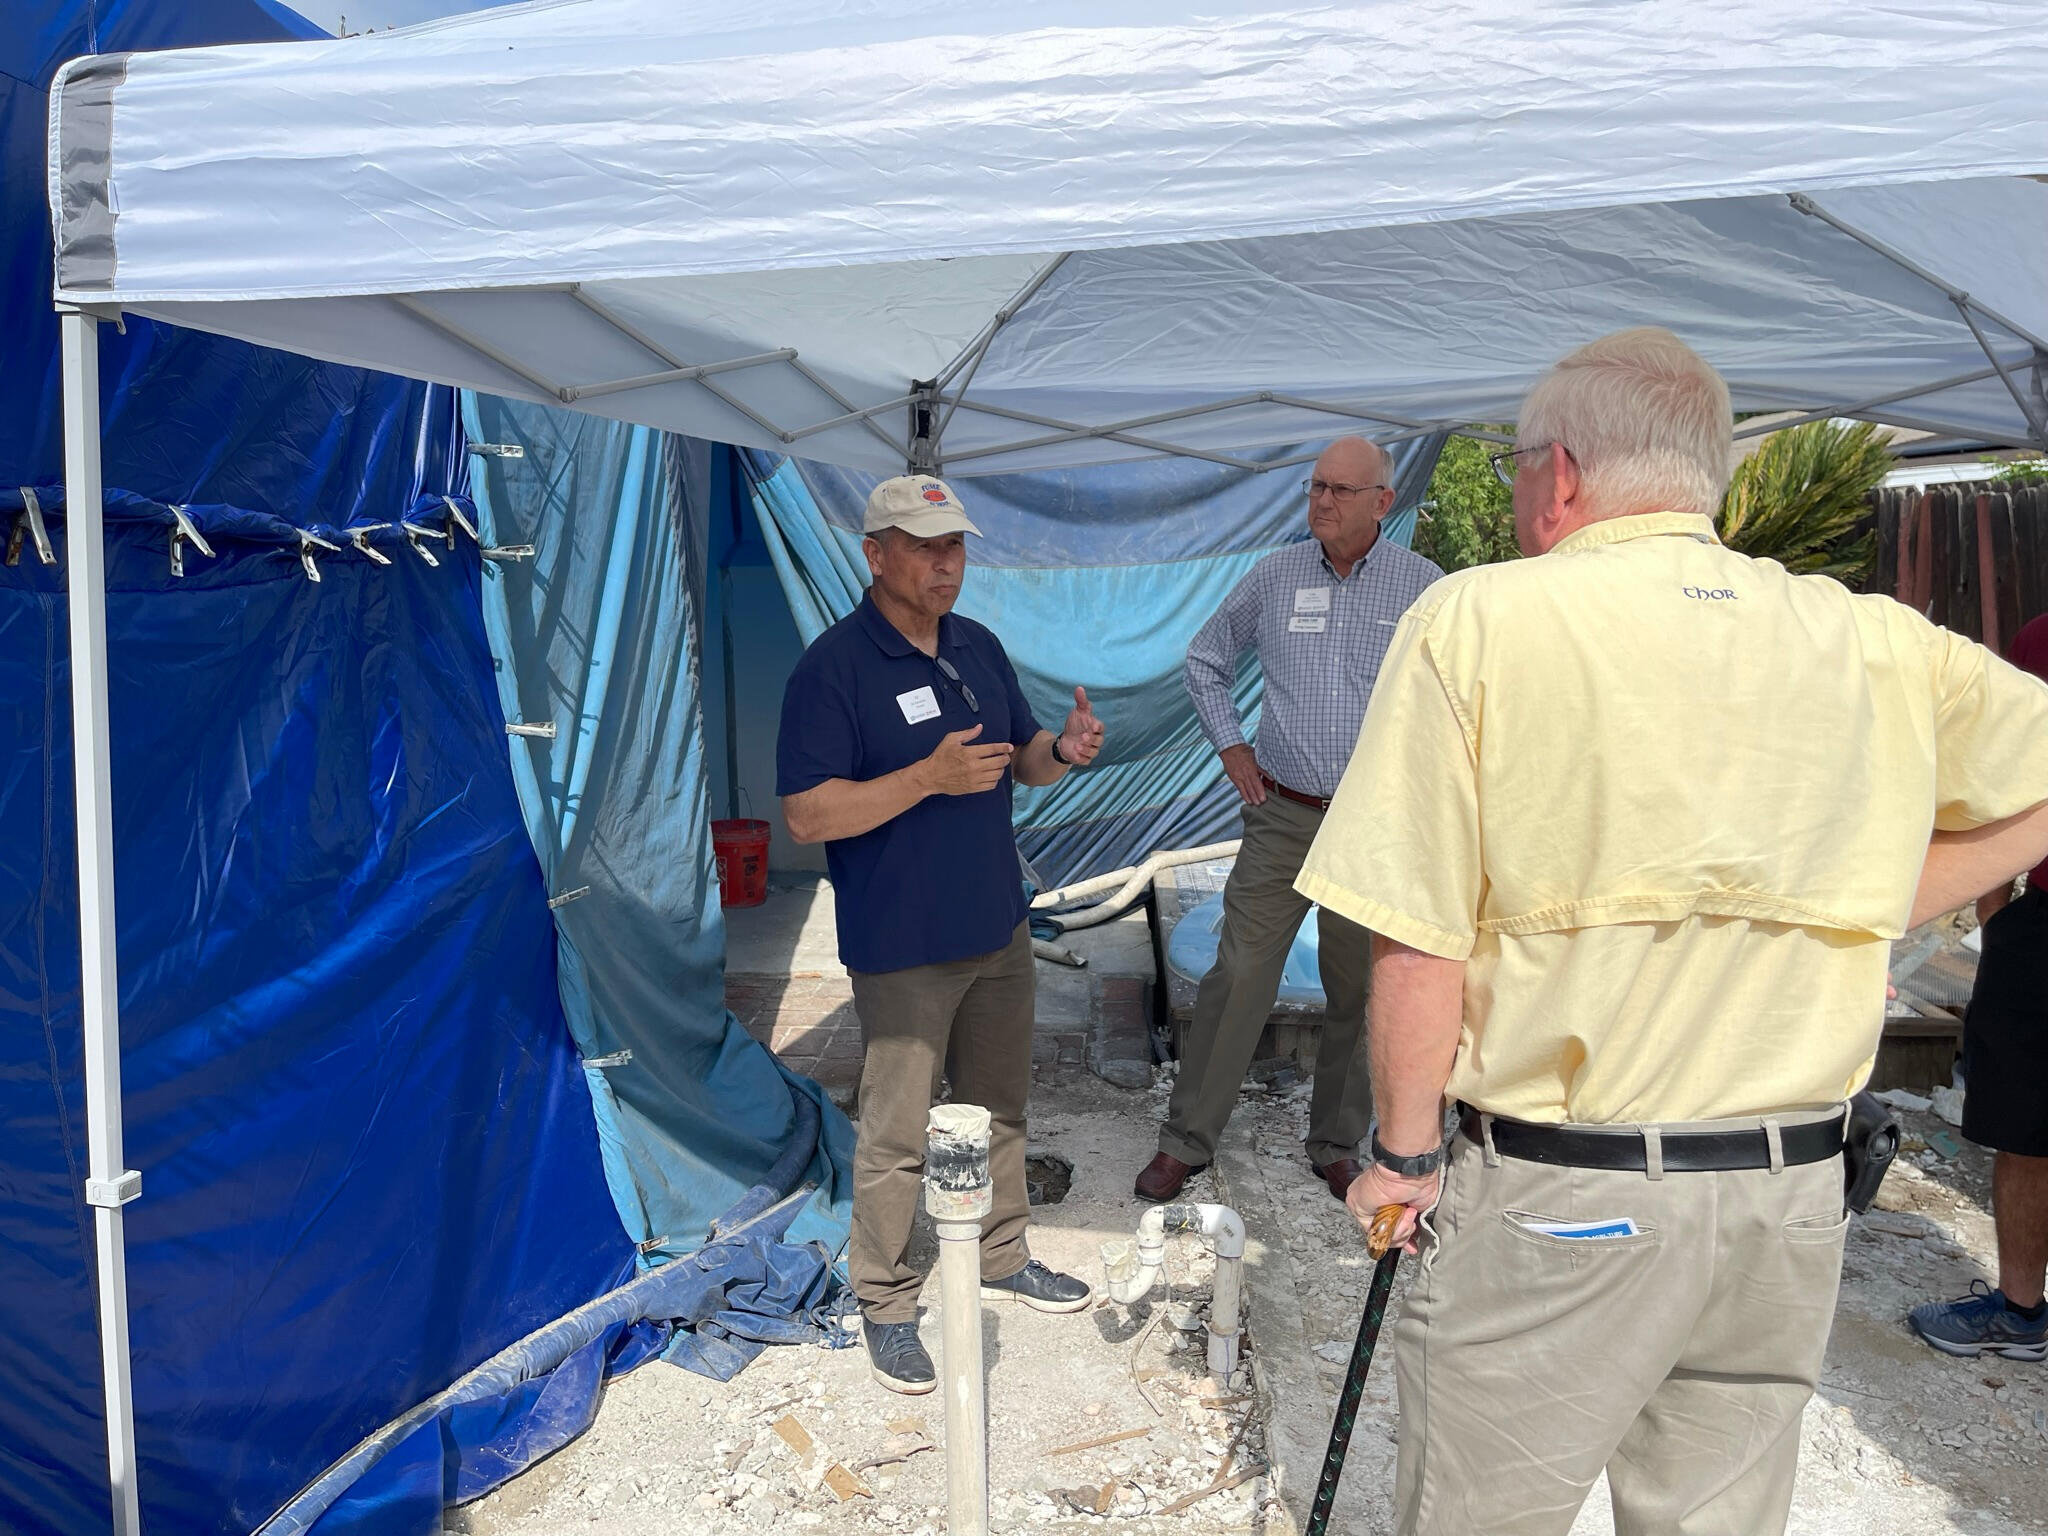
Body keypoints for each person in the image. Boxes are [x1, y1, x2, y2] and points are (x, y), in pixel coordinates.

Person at [1294, 328, 2048, 1535]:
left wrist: (1403, 1159)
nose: (1520, 487)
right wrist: (1880, 896)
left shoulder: (1478, 618)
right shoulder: (1865, 636)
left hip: (1564, 1194)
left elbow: (1417, 935)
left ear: (1565, 475)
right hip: (1786, 1202)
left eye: (1519, 466)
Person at [776, 474, 1106, 1395]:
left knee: (1002, 1110)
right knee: (896, 1135)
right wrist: (924, 778)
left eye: (954, 545)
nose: (945, 564)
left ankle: (1003, 1254)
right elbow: (806, 815)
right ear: (874, 553)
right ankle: (883, 1300)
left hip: (997, 926)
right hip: (905, 945)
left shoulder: (977, 646)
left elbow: (1022, 758)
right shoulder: (832, 670)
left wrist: (1064, 752)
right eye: (924, 547)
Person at [1136, 436, 1443, 1204]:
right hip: (1283, 816)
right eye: (1315, 488)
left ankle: (1337, 1143)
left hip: (1373, 830)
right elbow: (1205, 659)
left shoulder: (1423, 588)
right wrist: (1231, 746)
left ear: (1383, 501)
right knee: (1238, 974)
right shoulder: (1274, 577)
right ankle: (1186, 1142)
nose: (1322, 503)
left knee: (1359, 992)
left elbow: (1450, 700)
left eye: (1341, 491)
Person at [1910, 611, 2048, 1362]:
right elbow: (1992, 784)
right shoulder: (2037, 642)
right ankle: (2021, 1311)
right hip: (2042, 929)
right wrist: (1998, 923)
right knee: (2023, 1123)